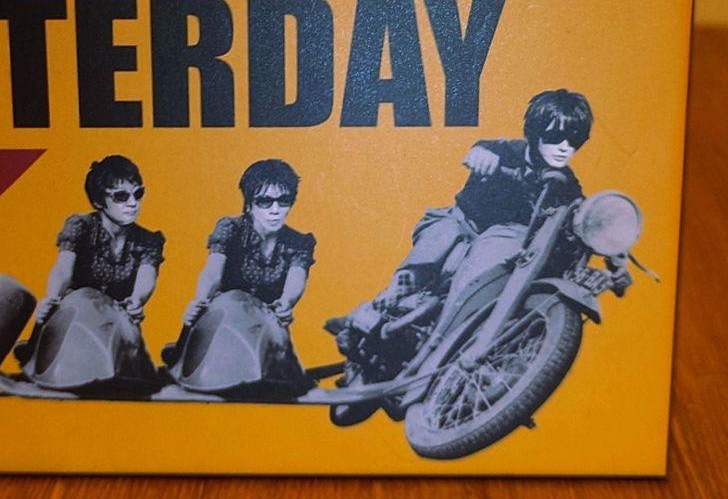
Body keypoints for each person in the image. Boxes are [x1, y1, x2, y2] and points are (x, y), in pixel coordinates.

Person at [371, 88, 627, 311]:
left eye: (573, 140)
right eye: (554, 137)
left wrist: (614, 255)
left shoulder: (566, 184)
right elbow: (481, 150)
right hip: (464, 225)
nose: (564, 147)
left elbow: (586, 216)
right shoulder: (506, 150)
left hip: (504, 248)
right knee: (444, 232)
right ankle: (399, 288)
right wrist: (480, 157)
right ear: (536, 132)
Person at [30, 155, 165, 330]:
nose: (133, 203)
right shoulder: (81, 227)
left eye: (138, 194)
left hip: (116, 325)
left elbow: (146, 277)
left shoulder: (148, 241)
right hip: (75, 318)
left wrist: (136, 301)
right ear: (98, 201)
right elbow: (63, 270)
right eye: (121, 196)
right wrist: (52, 297)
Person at [181, 158, 316, 328]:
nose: (275, 210)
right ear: (249, 204)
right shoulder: (231, 228)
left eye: (283, 200)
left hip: (266, 324)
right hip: (223, 316)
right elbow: (213, 271)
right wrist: (201, 300)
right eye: (264, 201)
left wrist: (285, 304)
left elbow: (296, 279)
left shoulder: (299, 242)